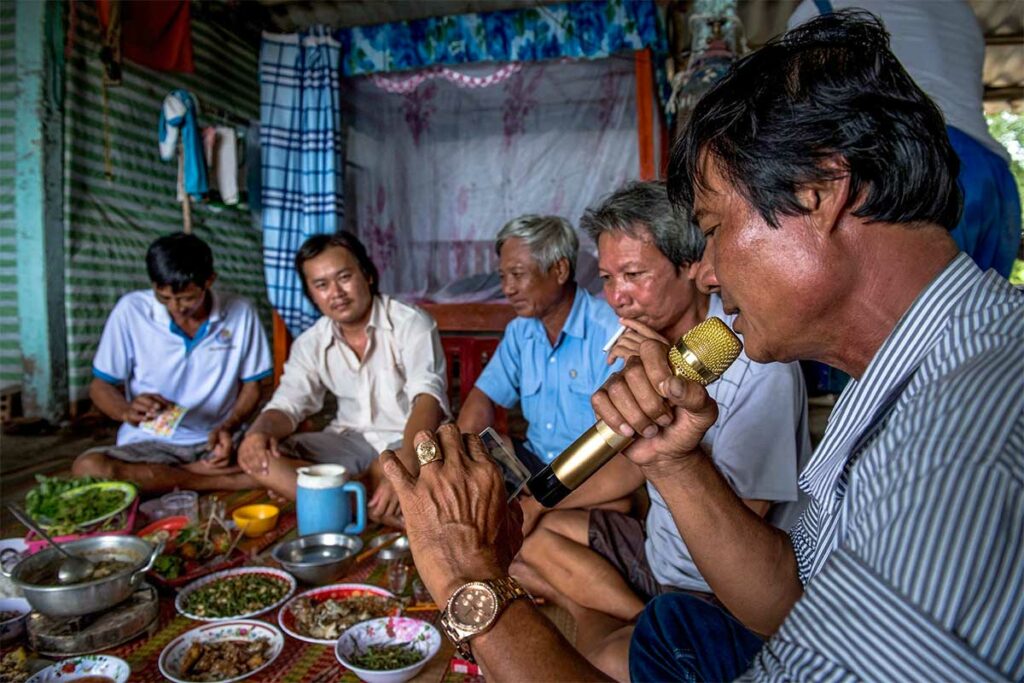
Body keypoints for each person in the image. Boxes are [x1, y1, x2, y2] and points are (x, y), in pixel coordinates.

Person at [372, 11, 1024, 682]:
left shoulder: (960, 445)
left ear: (819, 193)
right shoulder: (904, 374)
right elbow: (789, 604)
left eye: (713, 229)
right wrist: (676, 463)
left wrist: (467, 582)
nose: (706, 270)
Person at [512, 181, 810, 680]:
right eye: (606, 277)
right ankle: (616, 616)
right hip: (660, 551)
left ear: (692, 266)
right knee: (532, 542)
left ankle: (613, 619)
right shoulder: (643, 345)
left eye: (633, 275)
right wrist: (535, 500)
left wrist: (666, 427)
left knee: (598, 662)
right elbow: (630, 468)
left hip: (718, 586)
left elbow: (746, 533)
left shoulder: (757, 365)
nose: (616, 297)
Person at [789, 0, 1022, 278]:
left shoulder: (819, 7)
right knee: (984, 313)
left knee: (905, 313)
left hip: (904, 166)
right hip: (991, 178)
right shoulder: (959, 8)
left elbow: (802, 113)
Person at [237, 232, 448, 525]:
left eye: (344, 277)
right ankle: (371, 506)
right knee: (264, 457)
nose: (335, 292)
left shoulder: (411, 323)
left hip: (411, 439)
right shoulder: (311, 342)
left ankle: (349, 500)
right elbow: (286, 405)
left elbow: (428, 398)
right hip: (350, 442)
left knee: (434, 464)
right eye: (321, 285)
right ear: (311, 294)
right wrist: (256, 434)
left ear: (368, 275)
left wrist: (406, 462)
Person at [72, 233, 271, 494]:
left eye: (187, 298)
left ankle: (172, 478)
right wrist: (127, 411)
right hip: (152, 444)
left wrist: (228, 426)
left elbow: (253, 386)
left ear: (209, 281)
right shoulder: (130, 311)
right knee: (89, 468)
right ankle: (216, 479)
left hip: (218, 440)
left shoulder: (241, 311)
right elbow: (100, 386)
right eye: (164, 297)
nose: (176, 307)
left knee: (291, 449)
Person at [457, 215, 621, 473]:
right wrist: (459, 465)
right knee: (472, 460)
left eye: (518, 274)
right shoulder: (520, 331)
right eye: (503, 276)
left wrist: (537, 505)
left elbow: (620, 448)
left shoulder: (610, 332)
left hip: (590, 472)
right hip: (536, 464)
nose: (508, 288)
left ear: (560, 270)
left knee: (540, 513)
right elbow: (483, 397)